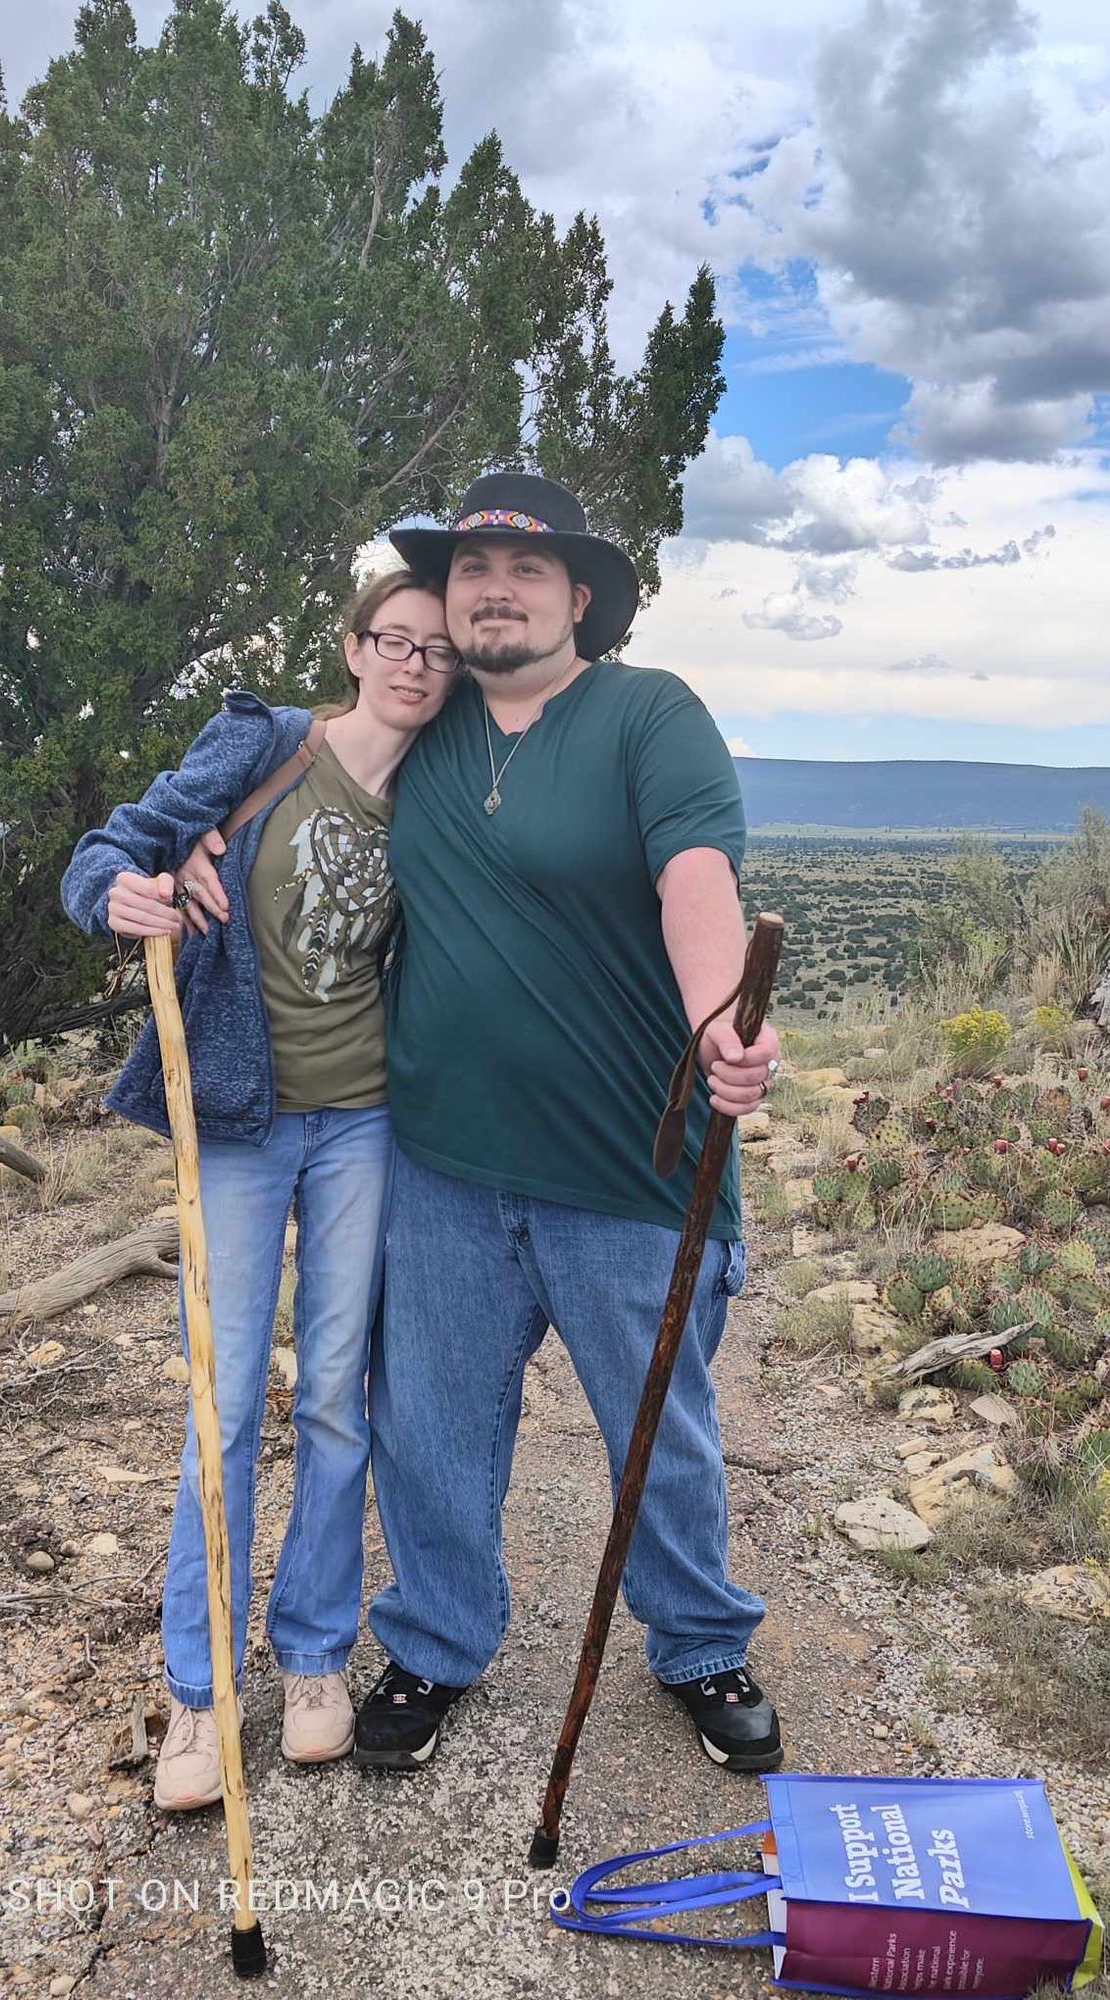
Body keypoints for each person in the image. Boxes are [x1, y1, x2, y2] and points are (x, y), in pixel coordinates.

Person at [350, 472, 784, 1776]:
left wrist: (721, 1014)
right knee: (427, 1424)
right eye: (474, 566)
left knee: (661, 1426)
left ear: (578, 597)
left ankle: (701, 1645)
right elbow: (307, 760)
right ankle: (435, 1639)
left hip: (627, 1167)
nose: (495, 587)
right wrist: (185, 847)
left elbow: (696, 877)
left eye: (526, 571)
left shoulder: (647, 715)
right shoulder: (423, 730)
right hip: (441, 1164)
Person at [59, 571, 456, 1810]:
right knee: (225, 1402)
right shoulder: (270, 743)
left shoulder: (445, 793)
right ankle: (198, 1689)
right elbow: (114, 846)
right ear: (353, 647)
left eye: (438, 650)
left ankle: (317, 1658)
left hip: (366, 1123)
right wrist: (130, 890)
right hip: (238, 1114)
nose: (415, 664)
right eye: (395, 640)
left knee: (336, 1391)